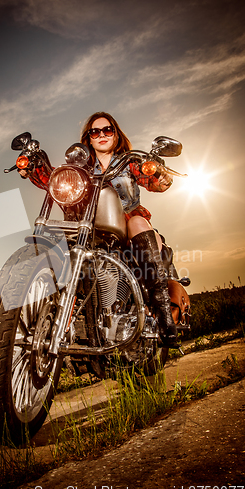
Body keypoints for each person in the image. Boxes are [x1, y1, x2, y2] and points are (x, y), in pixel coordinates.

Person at [19, 111, 179, 348]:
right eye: (95, 131)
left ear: (116, 134)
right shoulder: (81, 167)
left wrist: (158, 172)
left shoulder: (130, 162)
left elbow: (156, 182)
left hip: (125, 224)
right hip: (89, 228)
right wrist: (33, 166)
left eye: (107, 130)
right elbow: (54, 179)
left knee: (136, 221)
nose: (101, 135)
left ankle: (163, 315)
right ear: (89, 138)